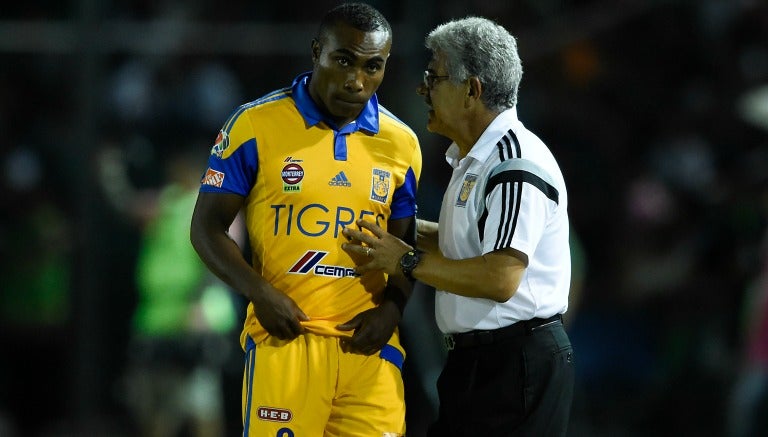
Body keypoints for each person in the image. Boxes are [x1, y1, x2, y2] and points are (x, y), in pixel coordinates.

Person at [190, 3, 422, 436]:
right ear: (317, 52)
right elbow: (206, 228)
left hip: (369, 351)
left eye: (373, 67)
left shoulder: (402, 144)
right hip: (287, 343)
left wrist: (392, 309)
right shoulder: (254, 125)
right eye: (344, 60)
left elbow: (404, 249)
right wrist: (260, 293)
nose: (357, 80)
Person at [342, 16, 574, 436]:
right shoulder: (472, 159)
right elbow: (463, 243)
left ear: (472, 90)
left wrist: (405, 260)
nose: (422, 89)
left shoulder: (514, 161)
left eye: (434, 77)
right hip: (479, 363)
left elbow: (500, 276)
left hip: (515, 365)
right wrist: (387, 229)